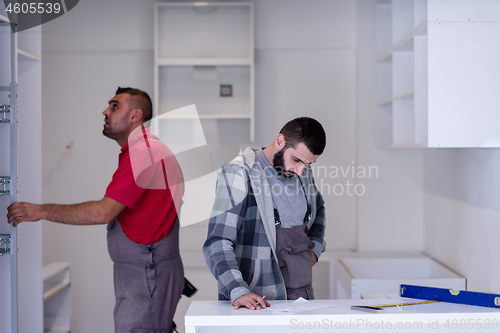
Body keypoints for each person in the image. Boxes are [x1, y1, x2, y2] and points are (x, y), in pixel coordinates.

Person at [7, 87, 184, 333]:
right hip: (147, 271)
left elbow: (103, 212)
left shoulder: (144, 152)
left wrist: (42, 211)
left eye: (114, 106)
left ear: (135, 116)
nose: (105, 111)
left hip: (147, 273)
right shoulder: (147, 149)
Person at [203, 117, 326, 310]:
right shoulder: (239, 173)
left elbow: (318, 209)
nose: (301, 171)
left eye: (308, 164)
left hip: (303, 299)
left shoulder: (302, 172)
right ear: (280, 141)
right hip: (257, 303)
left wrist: (316, 249)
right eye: (297, 160)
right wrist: (238, 290)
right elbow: (218, 242)